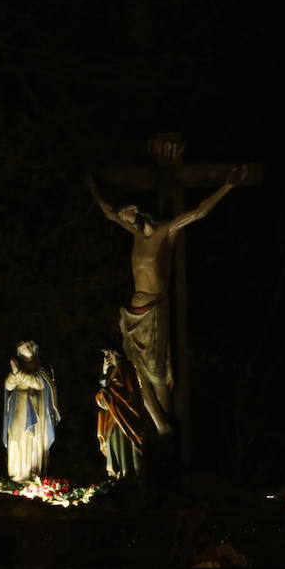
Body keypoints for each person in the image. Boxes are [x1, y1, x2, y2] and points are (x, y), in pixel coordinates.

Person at [87, 165, 246, 436]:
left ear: (138, 211)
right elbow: (109, 213)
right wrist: (92, 187)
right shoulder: (135, 234)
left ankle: (169, 424)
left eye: (129, 214)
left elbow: (199, 212)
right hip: (132, 312)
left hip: (152, 311)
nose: (126, 219)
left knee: (157, 373)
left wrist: (227, 186)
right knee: (137, 370)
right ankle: (161, 426)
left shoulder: (165, 232)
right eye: (125, 216)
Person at [3, 341, 60, 483]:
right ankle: (16, 474)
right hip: (17, 409)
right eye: (21, 348)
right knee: (17, 439)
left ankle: (32, 474)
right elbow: (8, 386)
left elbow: (39, 383)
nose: (24, 349)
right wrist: (14, 374)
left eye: (28, 347)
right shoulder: (17, 369)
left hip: (34, 412)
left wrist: (19, 373)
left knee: (31, 441)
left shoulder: (41, 369)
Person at [95, 349, 147, 479]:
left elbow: (130, 393)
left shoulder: (125, 367)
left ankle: (128, 476)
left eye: (107, 354)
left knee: (123, 445)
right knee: (115, 444)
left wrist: (106, 395)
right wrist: (105, 374)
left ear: (114, 352)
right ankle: (119, 477)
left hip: (124, 417)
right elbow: (108, 389)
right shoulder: (115, 370)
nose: (107, 359)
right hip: (114, 416)